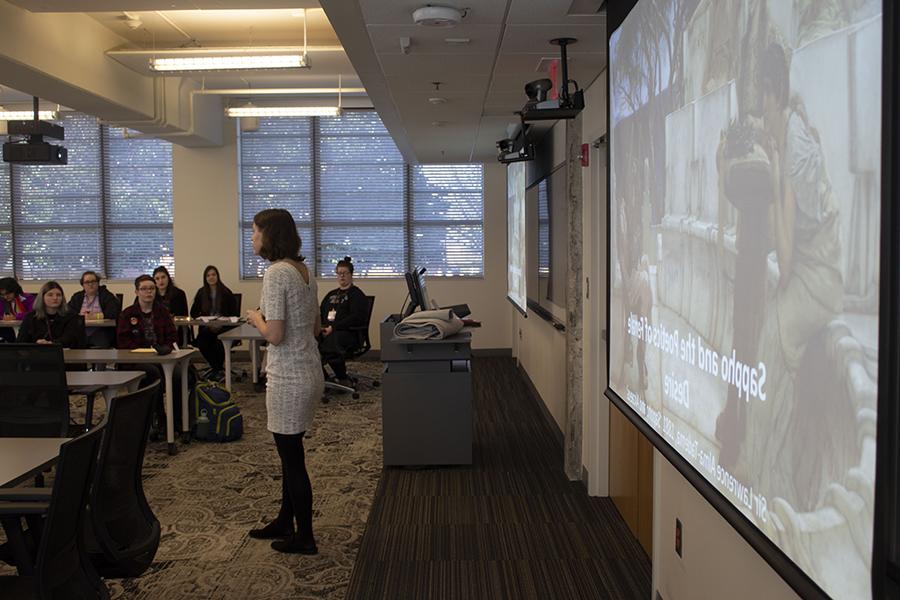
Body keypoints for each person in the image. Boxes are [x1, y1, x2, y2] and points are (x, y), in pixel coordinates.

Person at [245, 208, 323, 555]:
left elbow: (275, 335)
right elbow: (316, 327)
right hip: (309, 370)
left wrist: (256, 318)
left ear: (270, 235)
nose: (252, 237)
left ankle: (304, 536)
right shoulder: (304, 271)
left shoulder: (276, 273)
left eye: (255, 231)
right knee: (290, 454)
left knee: (292, 459)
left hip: (288, 377)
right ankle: (284, 520)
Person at [118, 274, 179, 430]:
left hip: (161, 357)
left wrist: (163, 348)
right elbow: (123, 342)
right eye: (144, 289)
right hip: (136, 360)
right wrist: (144, 351)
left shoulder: (162, 311)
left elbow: (173, 336)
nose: (148, 292)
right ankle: (158, 417)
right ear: (136, 292)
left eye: (152, 288)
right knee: (153, 374)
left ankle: (177, 420)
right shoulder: (128, 313)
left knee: (179, 374)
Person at [318, 256, 368, 387]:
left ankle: (342, 378)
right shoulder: (331, 294)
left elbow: (356, 318)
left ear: (351, 275)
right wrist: (319, 327)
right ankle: (324, 379)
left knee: (332, 341)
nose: (342, 276)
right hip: (326, 331)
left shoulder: (356, 295)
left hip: (347, 333)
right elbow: (320, 312)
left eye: (345, 273)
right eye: (339, 273)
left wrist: (333, 328)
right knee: (308, 343)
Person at [190, 265, 239, 379]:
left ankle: (216, 369)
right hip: (207, 328)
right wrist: (206, 320)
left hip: (225, 328)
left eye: (213, 274)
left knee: (219, 343)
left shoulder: (226, 292)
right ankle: (217, 368)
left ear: (217, 276)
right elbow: (193, 313)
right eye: (208, 275)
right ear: (205, 278)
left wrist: (221, 322)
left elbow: (235, 314)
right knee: (202, 341)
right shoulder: (201, 293)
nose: (211, 277)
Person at [16, 281, 86, 348]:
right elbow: (21, 341)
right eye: (50, 295)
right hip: (35, 354)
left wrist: (51, 344)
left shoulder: (71, 316)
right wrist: (36, 344)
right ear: (42, 297)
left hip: (64, 355)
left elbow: (70, 339)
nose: (55, 298)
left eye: (58, 295)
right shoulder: (30, 317)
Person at [68, 270, 121, 348]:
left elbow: (114, 312)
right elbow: (68, 312)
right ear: (83, 285)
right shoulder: (77, 297)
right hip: (81, 332)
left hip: (101, 331)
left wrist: (96, 316)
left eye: (93, 281)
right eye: (87, 282)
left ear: (98, 283)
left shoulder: (106, 295)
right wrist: (81, 317)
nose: (90, 284)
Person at [0, 277, 36, 343]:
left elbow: (33, 314)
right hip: (9, 331)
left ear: (15, 290)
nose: (5, 297)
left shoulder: (28, 298)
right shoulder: (2, 300)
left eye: (8, 293)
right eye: (2, 294)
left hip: (27, 331)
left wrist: (16, 317)